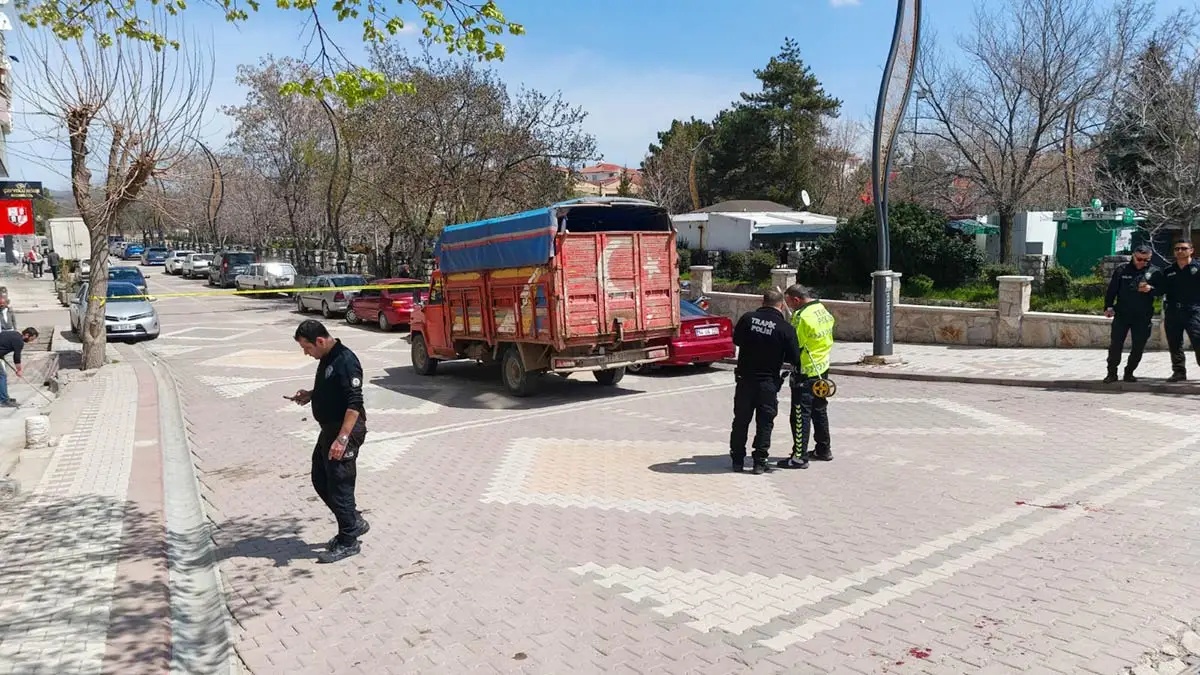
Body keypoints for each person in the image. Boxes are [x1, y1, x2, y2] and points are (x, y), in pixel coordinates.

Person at [287, 319, 370, 563]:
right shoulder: (327, 357)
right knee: (320, 478)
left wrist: (342, 439)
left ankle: (349, 540)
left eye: (307, 347)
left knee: (340, 483)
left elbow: (354, 403)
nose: (306, 352)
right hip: (330, 429)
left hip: (346, 431)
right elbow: (330, 388)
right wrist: (311, 395)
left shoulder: (346, 361)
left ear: (320, 341)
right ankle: (352, 522)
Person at [729, 289, 800, 475]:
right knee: (765, 422)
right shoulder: (785, 328)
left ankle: (737, 460)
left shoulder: (747, 319)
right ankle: (759, 462)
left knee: (741, 421)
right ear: (782, 305)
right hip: (768, 382)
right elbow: (795, 358)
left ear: (763, 302)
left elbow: (737, 340)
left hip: (745, 380)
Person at [778, 284, 837, 470]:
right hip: (822, 369)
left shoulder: (801, 317)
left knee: (800, 415)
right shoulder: (822, 310)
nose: (790, 305)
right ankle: (823, 449)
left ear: (796, 300)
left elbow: (794, 345)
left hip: (805, 371)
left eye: (789, 302)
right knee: (819, 410)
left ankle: (799, 457)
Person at [1145, 239, 1200, 382]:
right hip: (1173, 312)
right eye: (1177, 249)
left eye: (1183, 248)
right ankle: (1179, 372)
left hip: (1193, 312)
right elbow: (1161, 289)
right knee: (1174, 343)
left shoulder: (1198, 268)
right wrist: (1150, 289)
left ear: (1191, 250)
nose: (1180, 251)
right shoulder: (1169, 271)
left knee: (1198, 341)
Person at [1103, 245, 1157, 383]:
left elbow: (1162, 290)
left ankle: (1129, 372)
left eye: (1146, 260)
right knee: (1116, 345)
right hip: (1122, 314)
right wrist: (1108, 306)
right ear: (1133, 256)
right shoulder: (1122, 270)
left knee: (1138, 346)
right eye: (1139, 259)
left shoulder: (1154, 271)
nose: (1142, 263)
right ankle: (1112, 373)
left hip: (1143, 316)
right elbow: (1112, 290)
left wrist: (1151, 289)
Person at [0, 328, 40, 408]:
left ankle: (4, 397)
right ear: (27, 335)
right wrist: (19, 370)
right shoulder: (19, 342)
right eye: (32, 339)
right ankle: (4, 400)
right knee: (2, 376)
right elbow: (17, 357)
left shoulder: (14, 334)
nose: (31, 341)